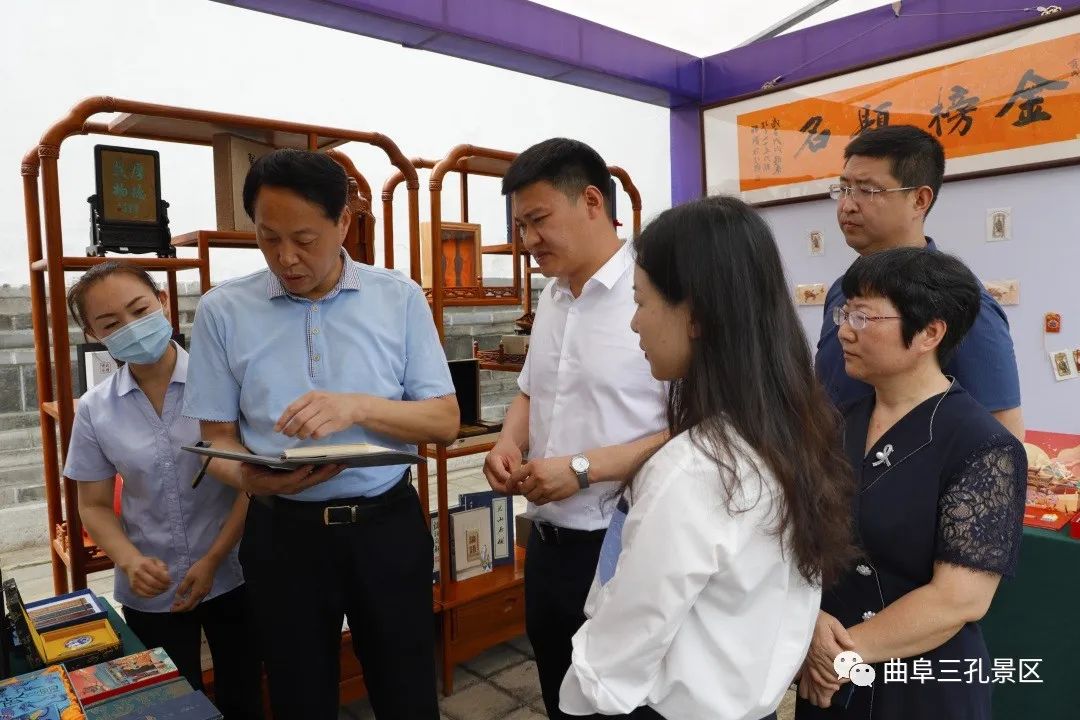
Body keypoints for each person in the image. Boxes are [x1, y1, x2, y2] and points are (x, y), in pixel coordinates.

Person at [182, 149, 459, 720]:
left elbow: (444, 422)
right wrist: (252, 480)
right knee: (298, 696)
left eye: (304, 239)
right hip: (283, 534)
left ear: (344, 223)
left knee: (407, 692)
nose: (286, 257)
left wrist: (357, 406)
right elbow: (216, 440)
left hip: (385, 526)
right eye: (268, 238)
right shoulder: (222, 311)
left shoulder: (399, 297)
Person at [558, 196, 856, 720]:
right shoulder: (794, 431)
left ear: (694, 314)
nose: (634, 324)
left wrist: (583, 688)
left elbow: (620, 651)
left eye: (642, 302)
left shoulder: (694, 468)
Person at [795, 248, 1026, 719]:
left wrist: (840, 655)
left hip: (919, 683)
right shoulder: (835, 424)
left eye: (863, 316)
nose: (844, 330)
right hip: (825, 673)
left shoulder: (983, 445)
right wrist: (810, 625)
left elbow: (959, 599)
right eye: (845, 313)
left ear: (929, 333)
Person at [483, 138, 668, 720]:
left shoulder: (657, 292)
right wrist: (508, 441)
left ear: (591, 201)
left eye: (538, 220)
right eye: (520, 226)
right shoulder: (555, 296)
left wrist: (584, 470)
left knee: (629, 704)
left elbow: (697, 430)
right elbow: (531, 391)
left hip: (626, 547)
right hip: (548, 545)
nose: (528, 239)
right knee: (560, 696)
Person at [64, 262, 261, 719]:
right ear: (93, 334)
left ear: (163, 302)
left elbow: (252, 485)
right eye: (111, 323)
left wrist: (212, 559)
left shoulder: (226, 384)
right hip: (153, 586)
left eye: (139, 310)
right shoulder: (95, 410)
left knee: (244, 693)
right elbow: (93, 505)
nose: (131, 328)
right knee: (172, 704)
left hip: (235, 571)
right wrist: (129, 560)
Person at [815, 125, 1024, 438]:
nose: (847, 205)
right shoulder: (841, 291)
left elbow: (1002, 435)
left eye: (867, 190)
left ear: (920, 200)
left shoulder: (962, 306)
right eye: (843, 189)